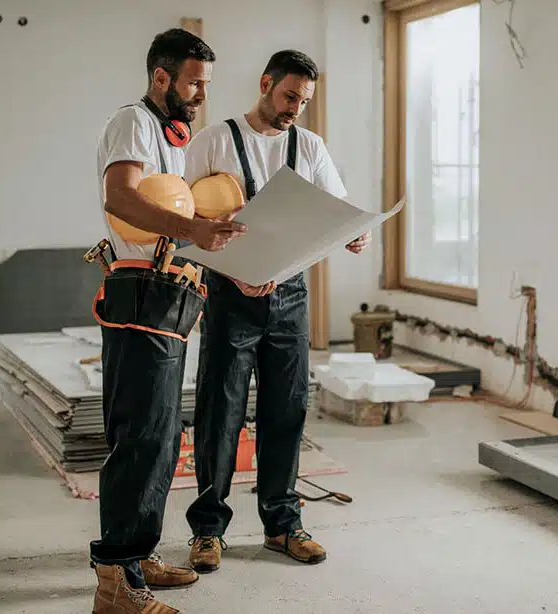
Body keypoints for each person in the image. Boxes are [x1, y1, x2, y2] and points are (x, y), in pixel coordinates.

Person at [182, 49, 369, 573]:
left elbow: (336, 210)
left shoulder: (309, 146)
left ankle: (283, 525)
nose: (295, 109)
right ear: (265, 83)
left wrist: (354, 233)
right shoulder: (214, 140)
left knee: (287, 410)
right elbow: (184, 222)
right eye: (289, 96)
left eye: (303, 101)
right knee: (220, 412)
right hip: (229, 295)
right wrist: (233, 270)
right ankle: (208, 530)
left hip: (289, 296)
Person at [89, 28, 245, 614]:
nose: (202, 94)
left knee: (160, 435)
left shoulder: (170, 138)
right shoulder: (132, 121)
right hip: (139, 290)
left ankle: (139, 555)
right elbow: (121, 198)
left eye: (206, 84)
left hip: (167, 290)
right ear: (161, 77)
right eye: (194, 83)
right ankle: (116, 582)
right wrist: (194, 230)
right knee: (140, 436)